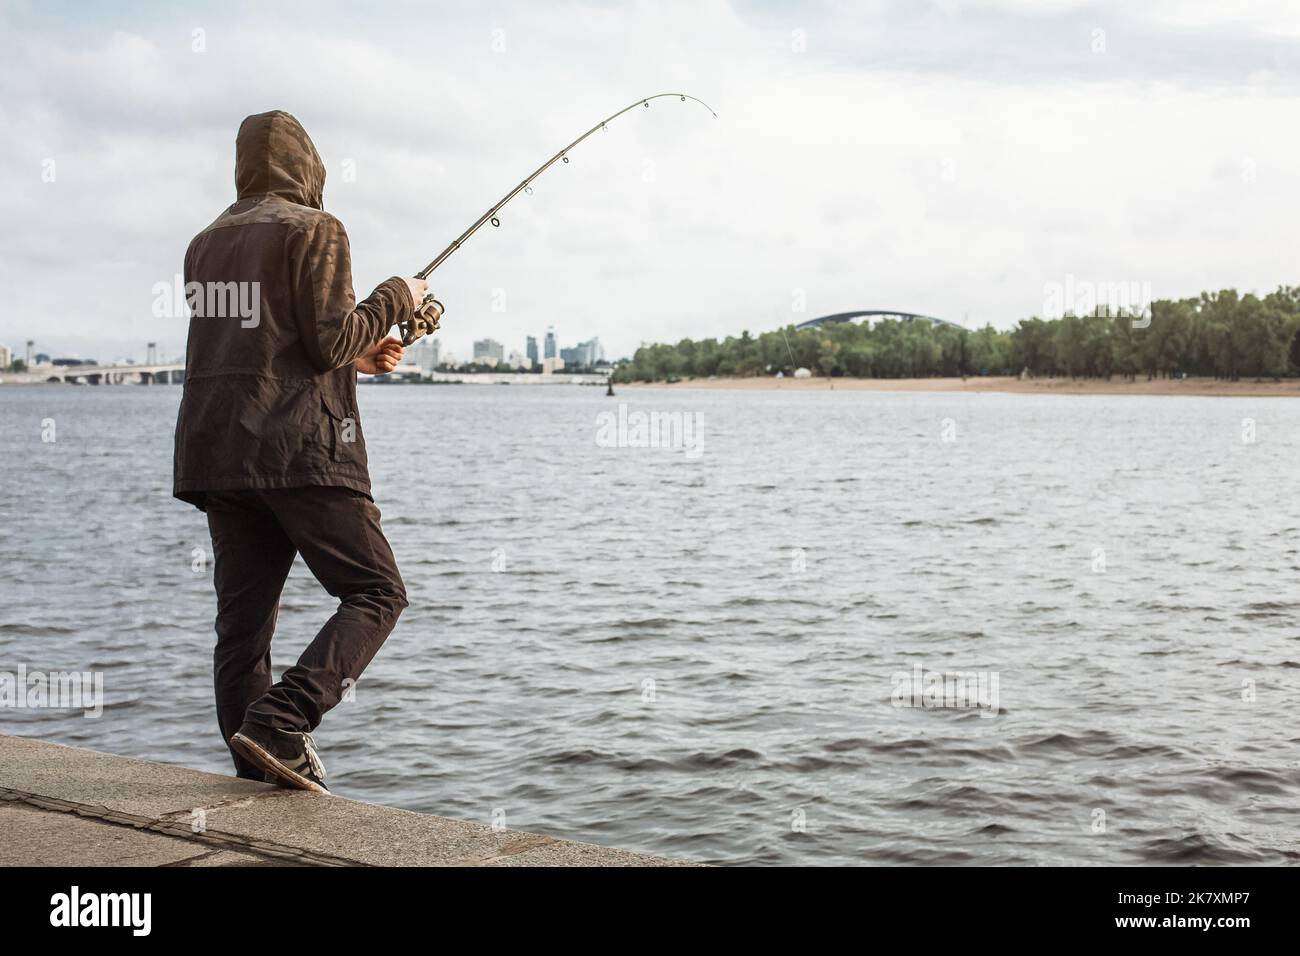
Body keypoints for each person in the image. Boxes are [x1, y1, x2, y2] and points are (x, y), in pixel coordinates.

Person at [173, 110, 427, 792]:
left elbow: (264, 347)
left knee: (242, 630)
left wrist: (359, 357)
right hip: (302, 453)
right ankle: (284, 719)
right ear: (309, 167)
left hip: (219, 456)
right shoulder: (318, 228)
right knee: (377, 591)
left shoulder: (205, 243)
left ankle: (258, 772)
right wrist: (395, 296)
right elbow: (325, 341)